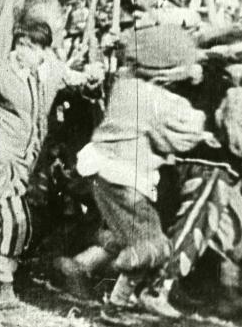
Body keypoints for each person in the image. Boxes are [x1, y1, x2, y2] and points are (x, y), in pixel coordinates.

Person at [0, 5, 104, 308]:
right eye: (20, 44)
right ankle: (5, 285)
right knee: (16, 221)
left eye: (32, 47)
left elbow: (76, 80)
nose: (23, 51)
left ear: (45, 51)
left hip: (29, 164)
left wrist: (92, 75)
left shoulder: (50, 71)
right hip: (0, 162)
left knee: (20, 222)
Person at [75, 25, 208, 318]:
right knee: (153, 245)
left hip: (104, 176)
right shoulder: (157, 100)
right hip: (128, 181)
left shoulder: (123, 86)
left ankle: (110, 293)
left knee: (137, 237)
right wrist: (199, 114)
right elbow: (182, 134)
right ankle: (114, 296)